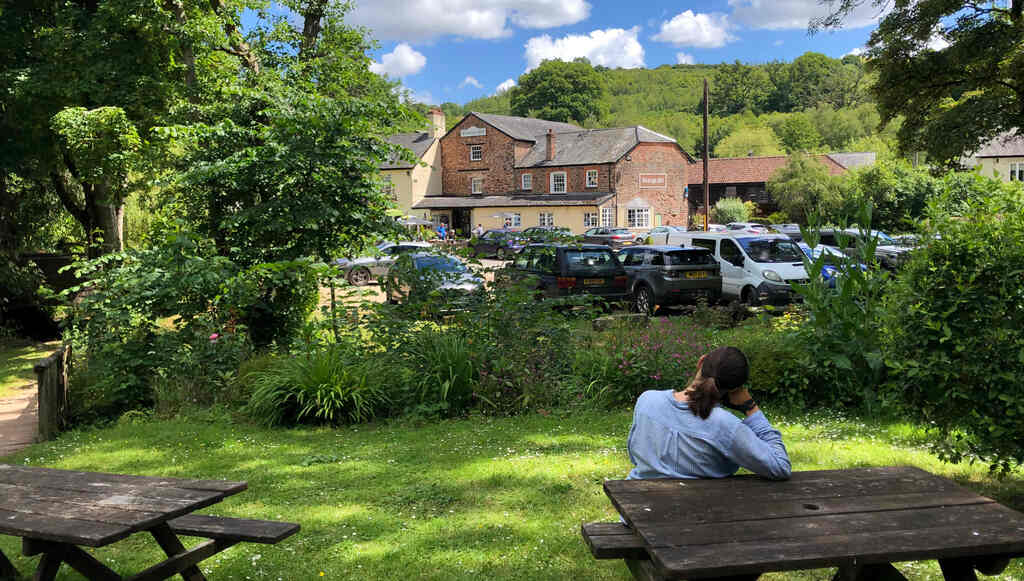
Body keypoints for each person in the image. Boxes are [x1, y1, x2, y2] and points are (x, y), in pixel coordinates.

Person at [626, 346, 791, 481]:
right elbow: (780, 466)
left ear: (701, 362)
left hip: (636, 515)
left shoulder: (647, 400)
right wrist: (751, 407)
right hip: (695, 519)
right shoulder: (725, 425)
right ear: (735, 390)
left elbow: (636, 457)